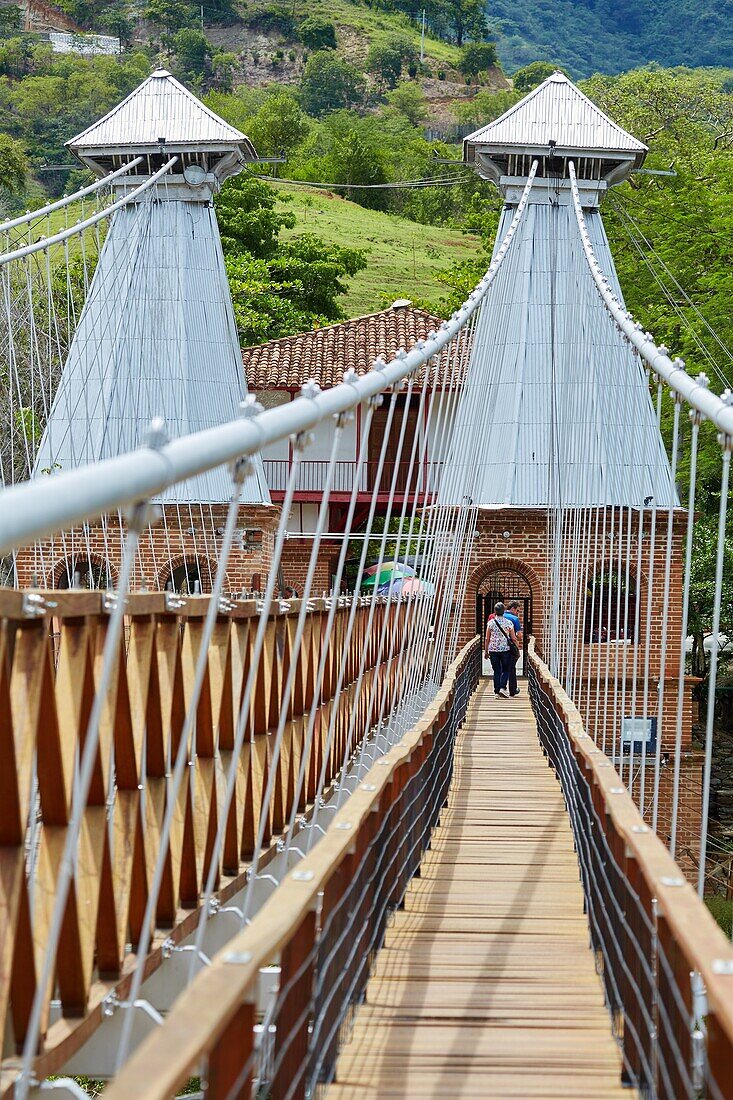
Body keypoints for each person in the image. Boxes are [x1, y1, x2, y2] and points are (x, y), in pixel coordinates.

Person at [484, 601, 519, 698]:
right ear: (503, 611)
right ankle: (502, 688)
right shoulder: (508, 623)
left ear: (495, 611)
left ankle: (496, 692)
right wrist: (517, 647)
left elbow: (487, 638)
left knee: (496, 671)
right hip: (505, 650)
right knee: (506, 669)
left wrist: (486, 651)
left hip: (493, 650)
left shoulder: (490, 623)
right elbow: (513, 638)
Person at [505, 599, 523, 697]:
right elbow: (519, 635)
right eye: (517, 610)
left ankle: (499, 689)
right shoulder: (514, 619)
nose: (517, 613)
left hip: (499, 647)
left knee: (501, 668)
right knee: (511, 668)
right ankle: (512, 690)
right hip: (510, 647)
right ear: (513, 608)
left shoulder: (498, 616)